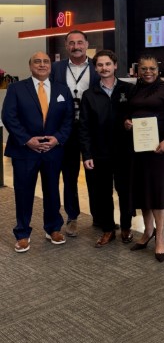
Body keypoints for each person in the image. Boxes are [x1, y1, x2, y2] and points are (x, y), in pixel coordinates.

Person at [4, 52, 73, 252]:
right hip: (25, 151)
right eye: (37, 61)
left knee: (52, 191)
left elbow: (68, 119)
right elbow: (9, 116)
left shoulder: (62, 90)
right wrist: (27, 140)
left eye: (45, 61)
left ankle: (53, 228)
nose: (42, 65)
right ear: (30, 66)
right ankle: (22, 233)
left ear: (50, 65)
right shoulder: (16, 88)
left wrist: (57, 139)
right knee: (23, 192)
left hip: (53, 150)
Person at [123, 55, 164, 262]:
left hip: (160, 149)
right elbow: (128, 113)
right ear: (138, 70)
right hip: (138, 148)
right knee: (143, 190)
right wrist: (127, 123)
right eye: (144, 69)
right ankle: (148, 231)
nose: (148, 72)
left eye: (152, 68)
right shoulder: (134, 90)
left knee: (159, 191)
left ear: (158, 70)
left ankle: (160, 236)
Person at [78, 50, 134, 247]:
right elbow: (83, 127)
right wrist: (87, 154)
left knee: (125, 192)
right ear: (95, 68)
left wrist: (131, 122)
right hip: (99, 152)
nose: (104, 68)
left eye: (108, 64)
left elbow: (139, 114)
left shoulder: (129, 90)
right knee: (103, 193)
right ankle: (108, 229)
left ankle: (126, 227)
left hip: (125, 152)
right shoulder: (89, 94)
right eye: (100, 65)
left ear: (115, 65)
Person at [51, 31, 99, 238]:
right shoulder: (56, 68)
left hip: (92, 129)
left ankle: (99, 215)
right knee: (69, 175)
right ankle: (72, 216)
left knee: (95, 174)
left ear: (87, 44)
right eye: (71, 43)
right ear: (66, 46)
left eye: (80, 42)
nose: (76, 46)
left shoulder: (98, 66)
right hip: (66, 129)